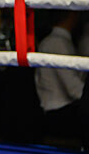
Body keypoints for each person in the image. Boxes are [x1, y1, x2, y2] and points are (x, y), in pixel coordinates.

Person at [35, 11, 85, 143]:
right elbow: (74, 89)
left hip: (58, 113)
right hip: (59, 114)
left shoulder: (58, 41)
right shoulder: (56, 43)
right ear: (71, 15)